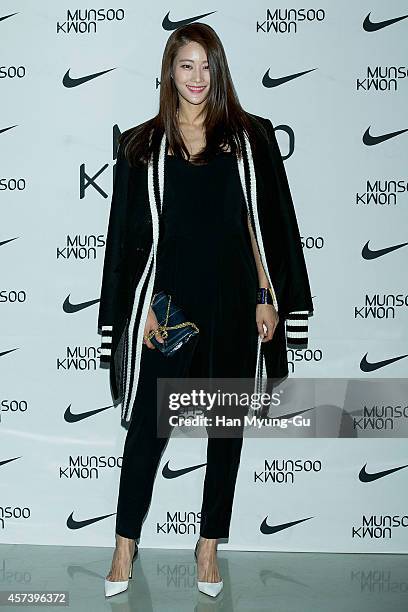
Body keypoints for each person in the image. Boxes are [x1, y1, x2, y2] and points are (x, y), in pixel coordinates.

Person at [98, 22, 314, 599]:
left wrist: (267, 295)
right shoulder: (143, 145)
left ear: (218, 71)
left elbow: (259, 226)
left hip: (234, 300)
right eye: (186, 65)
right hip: (167, 303)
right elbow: (124, 239)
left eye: (206, 65)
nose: (197, 77)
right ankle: (124, 543)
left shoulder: (245, 138)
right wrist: (133, 311)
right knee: (147, 426)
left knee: (225, 428)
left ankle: (209, 545)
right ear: (170, 72)